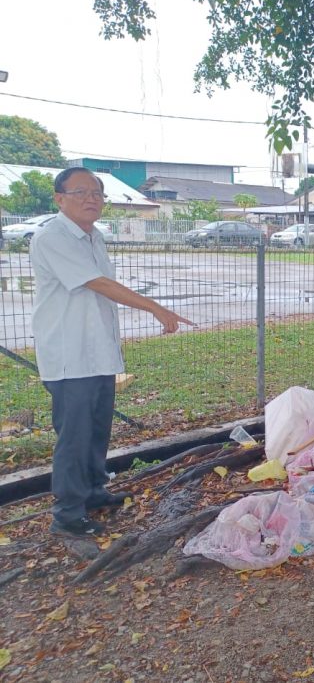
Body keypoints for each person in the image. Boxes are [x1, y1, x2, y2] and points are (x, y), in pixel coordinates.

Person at [31, 167, 193, 537]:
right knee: (74, 435)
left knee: (97, 428)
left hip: (98, 351)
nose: (92, 199)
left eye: (97, 193)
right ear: (59, 198)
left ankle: (93, 492)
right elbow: (98, 283)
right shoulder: (51, 236)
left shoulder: (93, 237)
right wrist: (155, 307)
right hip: (69, 354)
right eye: (81, 192)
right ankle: (67, 515)